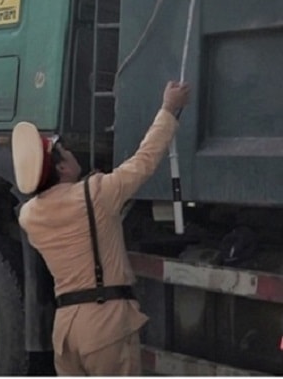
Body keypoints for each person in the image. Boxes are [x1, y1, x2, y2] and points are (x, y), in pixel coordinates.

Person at [11, 81, 190, 375]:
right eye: (67, 153)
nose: (72, 154)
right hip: (106, 325)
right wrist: (169, 108)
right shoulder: (96, 194)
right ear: (62, 169)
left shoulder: (28, 215)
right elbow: (144, 160)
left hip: (66, 330)